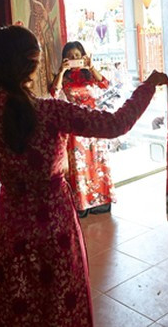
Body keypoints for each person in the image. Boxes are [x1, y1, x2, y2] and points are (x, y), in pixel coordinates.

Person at [0, 25, 168, 326]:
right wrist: (148, 86)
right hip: (55, 223)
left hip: (12, 228)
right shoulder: (53, 112)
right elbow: (115, 124)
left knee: (19, 302)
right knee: (61, 299)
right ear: (33, 65)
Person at [50, 41, 113, 217]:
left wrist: (91, 66)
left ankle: (101, 201)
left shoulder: (89, 74)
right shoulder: (64, 78)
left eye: (77, 56)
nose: (74, 59)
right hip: (76, 127)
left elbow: (105, 84)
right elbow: (54, 93)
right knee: (79, 165)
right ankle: (82, 204)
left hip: (95, 124)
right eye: (70, 57)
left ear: (83, 56)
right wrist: (62, 71)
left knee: (98, 162)